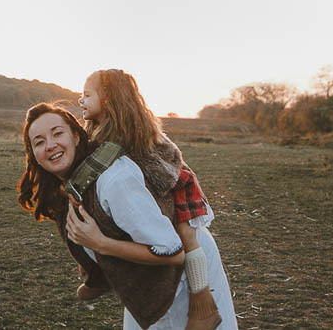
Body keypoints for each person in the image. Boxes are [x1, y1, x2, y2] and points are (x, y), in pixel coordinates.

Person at [18, 102, 237, 329]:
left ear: (75, 136)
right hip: (145, 286)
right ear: (33, 154)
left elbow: (173, 253)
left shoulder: (113, 179)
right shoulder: (71, 187)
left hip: (184, 275)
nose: (50, 145)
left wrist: (100, 243)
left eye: (57, 133)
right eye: (39, 142)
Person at [78, 69, 235, 330]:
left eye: (86, 94)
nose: (80, 100)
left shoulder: (135, 135)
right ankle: (98, 276)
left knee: (188, 240)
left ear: (107, 99)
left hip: (178, 188)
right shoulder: (98, 136)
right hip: (151, 238)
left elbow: (169, 165)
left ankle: (202, 300)